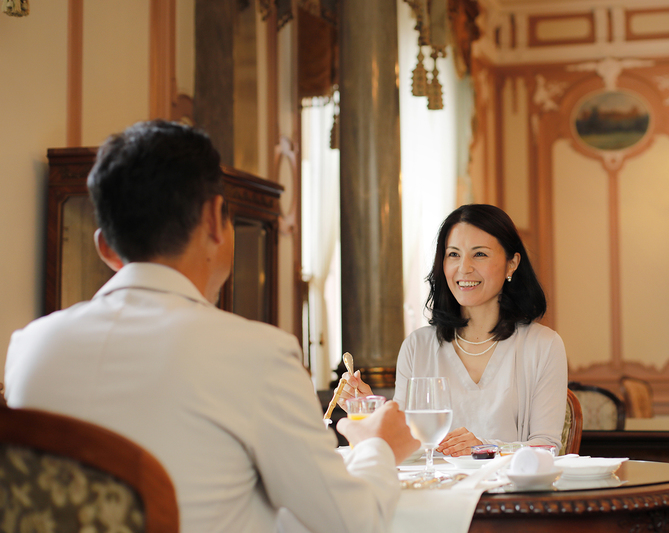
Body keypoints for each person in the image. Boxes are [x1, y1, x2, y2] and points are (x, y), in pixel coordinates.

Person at [4, 120, 419, 533]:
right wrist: (377, 446)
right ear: (214, 219)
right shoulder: (257, 354)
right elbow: (351, 522)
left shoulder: (28, 347)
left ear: (105, 247)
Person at [339, 204, 568, 456]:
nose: (464, 268)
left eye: (479, 254)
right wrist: (370, 409)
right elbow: (404, 447)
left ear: (511, 264)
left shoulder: (544, 345)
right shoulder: (418, 347)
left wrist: (486, 449)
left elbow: (547, 447)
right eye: (453, 254)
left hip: (509, 493)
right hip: (433, 492)